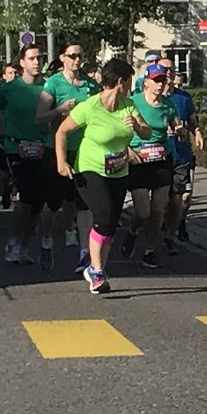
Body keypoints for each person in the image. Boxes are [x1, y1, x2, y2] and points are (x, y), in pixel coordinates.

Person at [55, 58, 150, 294]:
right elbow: (62, 131)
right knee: (104, 214)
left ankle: (99, 270)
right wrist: (61, 161)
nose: (131, 85)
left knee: (109, 223)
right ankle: (95, 270)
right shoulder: (90, 106)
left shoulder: (128, 105)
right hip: (89, 169)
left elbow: (146, 131)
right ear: (120, 82)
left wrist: (137, 128)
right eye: (130, 80)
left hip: (118, 170)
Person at [37, 41, 100, 273]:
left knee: (84, 203)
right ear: (62, 58)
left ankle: (84, 253)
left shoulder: (90, 85)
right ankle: (46, 239)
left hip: (84, 151)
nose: (76, 60)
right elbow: (40, 117)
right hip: (57, 149)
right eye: (72, 55)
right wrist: (59, 109)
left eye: (80, 55)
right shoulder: (53, 83)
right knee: (54, 202)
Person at [0, 45, 52, 266]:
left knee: (39, 201)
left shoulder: (48, 87)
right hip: (15, 147)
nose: (37, 62)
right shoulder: (9, 89)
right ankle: (14, 241)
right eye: (32, 58)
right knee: (26, 193)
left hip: (41, 147)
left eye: (40, 58)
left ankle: (24, 244)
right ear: (22, 63)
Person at [120, 64, 181, 269]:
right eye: (156, 80)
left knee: (158, 210)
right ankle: (133, 231)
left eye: (162, 80)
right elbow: (119, 130)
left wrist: (181, 131)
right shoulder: (132, 102)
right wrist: (128, 151)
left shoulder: (169, 105)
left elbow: (177, 126)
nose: (160, 84)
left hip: (162, 159)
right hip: (138, 160)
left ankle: (150, 250)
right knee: (143, 212)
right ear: (146, 82)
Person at [164, 72, 203, 254]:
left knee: (184, 198)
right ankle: (164, 231)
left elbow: (193, 120)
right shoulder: (149, 98)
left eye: (171, 74)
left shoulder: (183, 98)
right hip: (161, 156)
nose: (169, 79)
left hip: (182, 155)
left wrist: (197, 133)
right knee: (163, 200)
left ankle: (177, 225)